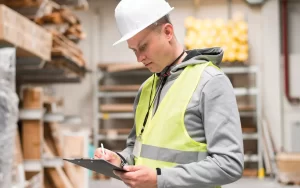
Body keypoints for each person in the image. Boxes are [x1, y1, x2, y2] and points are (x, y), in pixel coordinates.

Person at [94, 0, 244, 187]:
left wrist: (159, 178)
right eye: (133, 50)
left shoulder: (210, 82)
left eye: (143, 47)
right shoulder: (147, 88)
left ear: (167, 32)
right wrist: (119, 160)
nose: (139, 58)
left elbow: (229, 164)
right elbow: (137, 150)